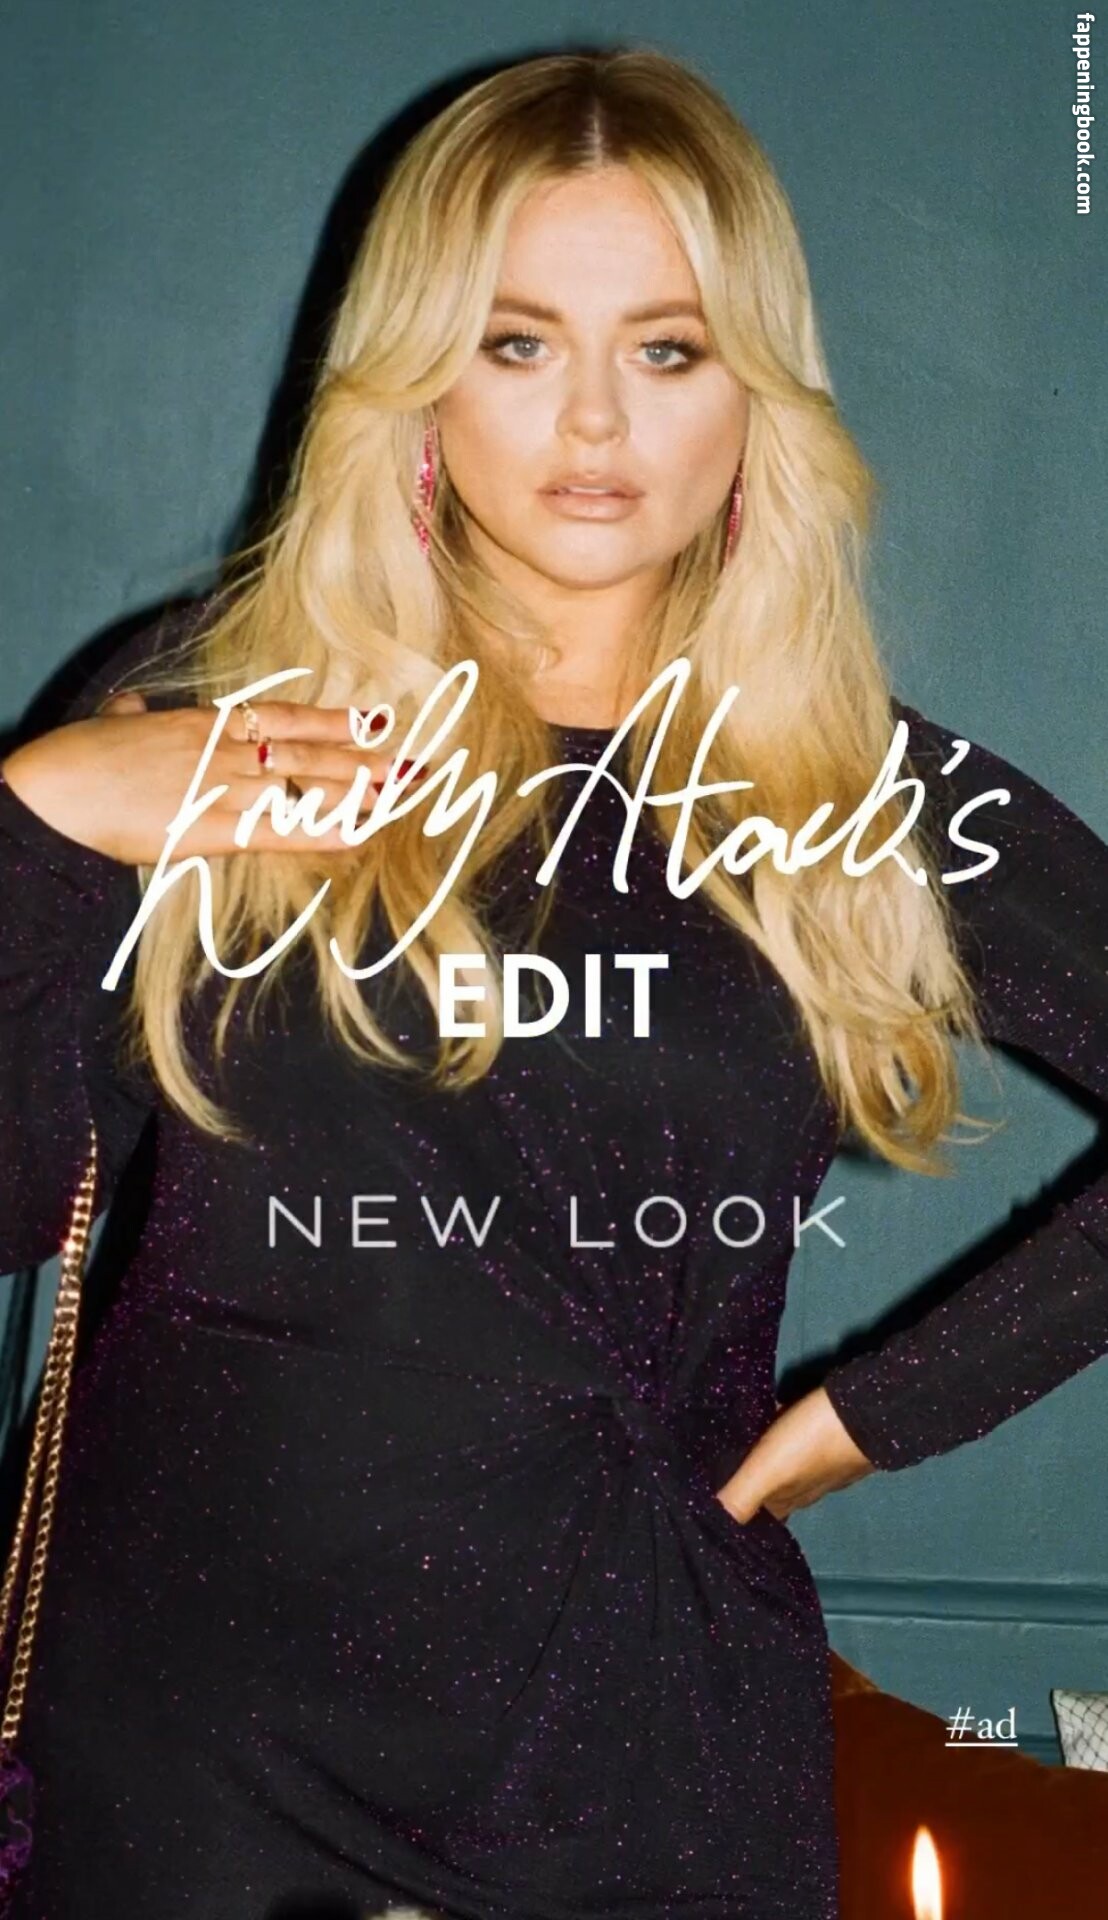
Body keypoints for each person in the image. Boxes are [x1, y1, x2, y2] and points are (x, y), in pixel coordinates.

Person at [0, 45, 1105, 1920]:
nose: (594, 418)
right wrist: (35, 824)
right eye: (517, 342)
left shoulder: (859, 795)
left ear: (754, 396)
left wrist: (869, 1421)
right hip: (182, 1762)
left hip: (636, 1760)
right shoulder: (220, 712)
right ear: (421, 377)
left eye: (667, 349)